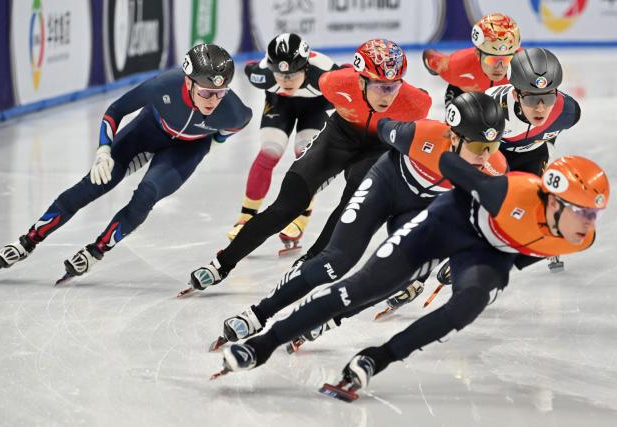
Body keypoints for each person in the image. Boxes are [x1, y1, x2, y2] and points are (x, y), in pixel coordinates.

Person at [218, 153, 609, 402]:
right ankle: (263, 344)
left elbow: (529, 254)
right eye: (585, 212)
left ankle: (376, 359)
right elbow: (450, 165)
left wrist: (497, 273)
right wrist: (477, 181)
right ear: (555, 202)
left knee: (465, 308)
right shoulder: (512, 192)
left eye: (595, 214)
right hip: (444, 224)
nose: (589, 223)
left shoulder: (579, 240)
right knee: (358, 291)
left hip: (487, 253)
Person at [216, 92, 508, 350]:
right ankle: (258, 314)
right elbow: (382, 128)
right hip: (386, 186)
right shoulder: (420, 135)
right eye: (480, 146)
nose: (485, 157)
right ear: (453, 137)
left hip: (418, 208)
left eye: (492, 148)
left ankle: (331, 319)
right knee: (335, 262)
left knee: (400, 275)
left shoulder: (493, 169)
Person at [182, 39, 432, 295]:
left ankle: (308, 264)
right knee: (286, 206)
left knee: (350, 207)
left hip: (378, 147)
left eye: (393, 87)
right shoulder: (333, 82)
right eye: (380, 87)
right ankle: (222, 263)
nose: (387, 95)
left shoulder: (416, 103)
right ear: (360, 80)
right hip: (338, 138)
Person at [0, 44, 252, 283]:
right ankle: (29, 240)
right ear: (188, 82)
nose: (213, 101)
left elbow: (239, 124)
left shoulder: (234, 110)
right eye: (207, 92)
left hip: (186, 150)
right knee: (92, 184)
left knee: (147, 193)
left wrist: (216, 142)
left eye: (220, 93)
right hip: (148, 131)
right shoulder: (163, 86)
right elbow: (116, 110)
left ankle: (97, 250)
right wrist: (103, 150)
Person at [227, 33, 337, 255]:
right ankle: (245, 217)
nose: (286, 81)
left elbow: (353, 78)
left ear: (306, 68)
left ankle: (301, 217)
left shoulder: (326, 75)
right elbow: (249, 67)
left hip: (316, 107)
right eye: (280, 74)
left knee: (305, 154)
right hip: (280, 105)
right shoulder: (262, 75)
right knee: (269, 152)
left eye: (292, 75)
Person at [487, 47, 581, 271]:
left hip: (533, 152)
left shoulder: (568, 113)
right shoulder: (490, 109)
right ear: (515, 94)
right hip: (494, 151)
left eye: (548, 97)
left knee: (536, 200)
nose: (540, 108)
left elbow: (551, 133)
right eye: (531, 100)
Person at [423, 13, 521, 105]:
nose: (499, 68)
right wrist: (433, 66)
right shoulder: (455, 66)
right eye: (492, 60)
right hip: (467, 96)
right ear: (478, 54)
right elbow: (429, 55)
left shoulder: (526, 64)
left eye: (506, 60)